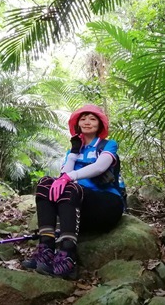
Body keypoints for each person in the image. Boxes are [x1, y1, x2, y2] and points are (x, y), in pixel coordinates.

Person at [21, 104, 125, 279]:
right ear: (77, 124)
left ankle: (68, 256)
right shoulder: (74, 149)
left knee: (69, 187)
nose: (87, 122)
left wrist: (69, 177)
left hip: (106, 205)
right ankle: (46, 250)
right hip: (77, 207)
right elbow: (64, 174)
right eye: (83, 119)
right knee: (45, 183)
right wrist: (74, 152)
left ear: (100, 124)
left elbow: (99, 167)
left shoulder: (108, 145)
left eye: (92, 119)